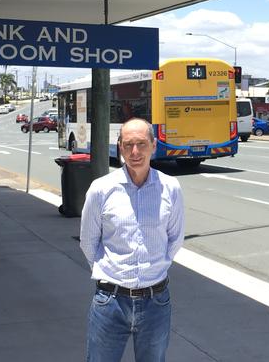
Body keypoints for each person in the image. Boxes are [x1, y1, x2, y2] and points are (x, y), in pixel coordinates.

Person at [79, 118, 185, 362]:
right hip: (110, 302)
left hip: (156, 303)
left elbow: (175, 239)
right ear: (119, 147)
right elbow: (88, 241)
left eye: (141, 144)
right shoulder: (101, 189)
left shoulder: (170, 188)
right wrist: (110, 273)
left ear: (153, 145)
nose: (135, 152)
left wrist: (154, 270)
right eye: (128, 145)